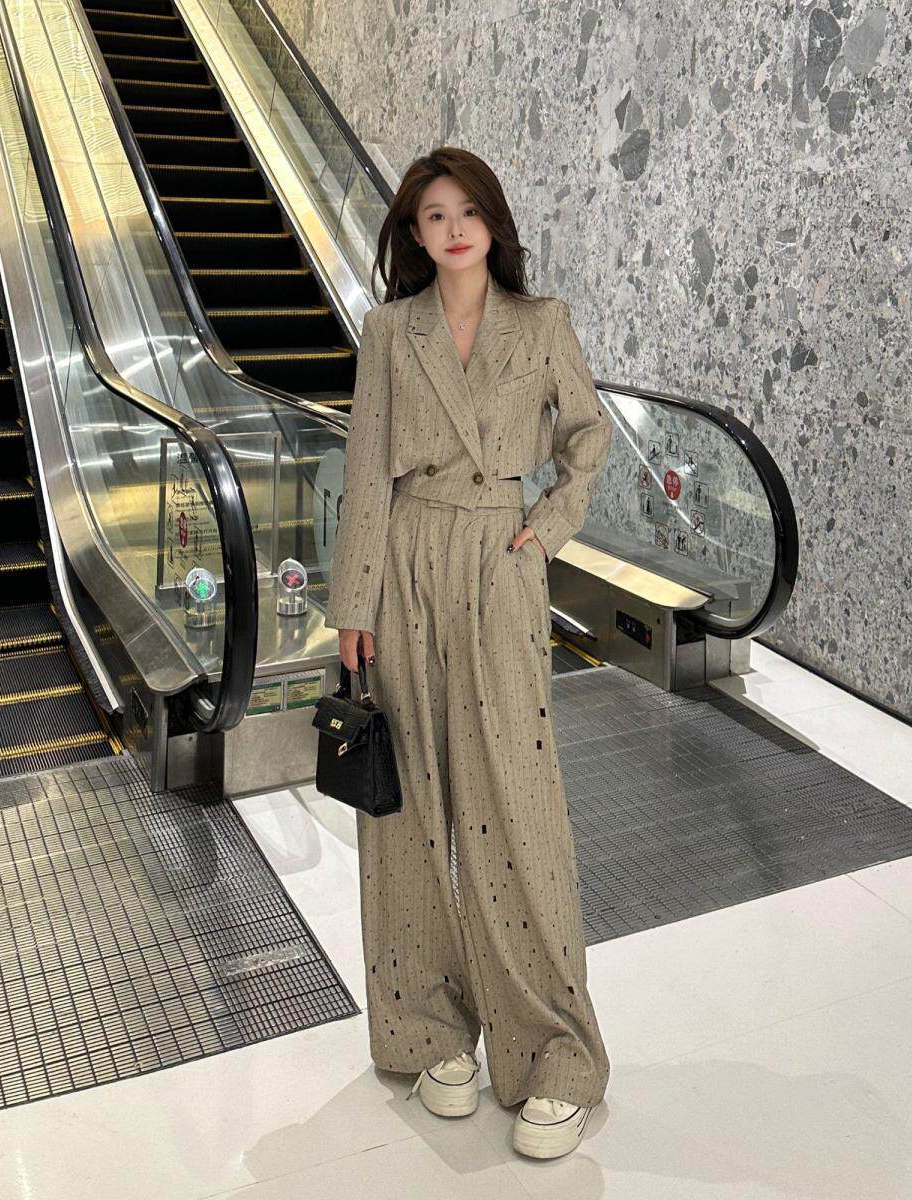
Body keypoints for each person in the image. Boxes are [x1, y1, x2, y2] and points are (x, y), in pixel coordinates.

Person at [323, 145, 612, 1160]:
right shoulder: (388, 331)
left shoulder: (542, 324)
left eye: (467, 211)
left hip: (498, 559)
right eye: (433, 215)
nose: (452, 228)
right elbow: (367, 470)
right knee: (409, 807)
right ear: (414, 232)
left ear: (493, 222)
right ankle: (427, 1028)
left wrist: (548, 528)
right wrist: (352, 603)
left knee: (516, 805)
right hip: (404, 558)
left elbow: (588, 437)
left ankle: (556, 1054)